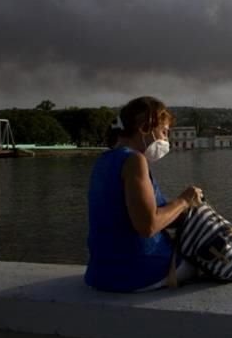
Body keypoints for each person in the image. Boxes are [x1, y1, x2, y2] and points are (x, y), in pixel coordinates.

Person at [84, 96, 202, 292]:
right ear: (145, 127)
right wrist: (184, 200)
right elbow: (147, 226)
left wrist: (180, 210)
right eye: (164, 132)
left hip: (101, 274)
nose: (166, 139)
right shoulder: (134, 160)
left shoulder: (104, 160)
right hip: (137, 273)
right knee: (222, 260)